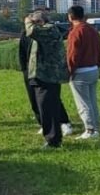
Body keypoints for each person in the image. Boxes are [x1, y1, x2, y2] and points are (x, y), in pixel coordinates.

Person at [25, 11, 69, 149]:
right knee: (44, 107)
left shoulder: (49, 29)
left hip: (48, 75)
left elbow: (31, 32)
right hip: (41, 75)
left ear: (40, 22)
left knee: (48, 107)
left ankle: (53, 140)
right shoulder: (44, 30)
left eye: (35, 22)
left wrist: (27, 21)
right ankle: (52, 138)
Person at [67, 5, 100, 140]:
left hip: (80, 71)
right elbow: (99, 49)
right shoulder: (93, 30)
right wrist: (98, 63)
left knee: (83, 102)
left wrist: (69, 71)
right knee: (92, 101)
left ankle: (90, 129)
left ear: (70, 17)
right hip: (93, 68)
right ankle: (96, 127)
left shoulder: (76, 32)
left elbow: (73, 54)